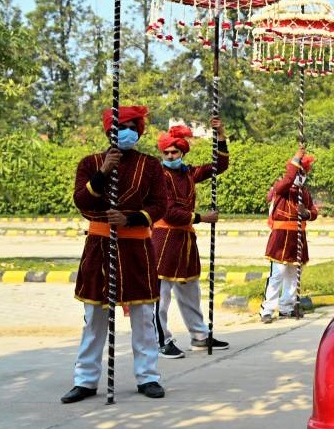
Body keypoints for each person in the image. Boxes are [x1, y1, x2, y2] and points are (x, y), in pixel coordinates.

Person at [62, 105, 169, 403]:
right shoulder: (90, 163)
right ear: (108, 131)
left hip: (136, 249)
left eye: (134, 127)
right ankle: (85, 380)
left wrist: (132, 218)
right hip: (100, 249)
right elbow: (82, 201)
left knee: (144, 317)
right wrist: (103, 173)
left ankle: (147, 376)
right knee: (94, 317)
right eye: (122, 127)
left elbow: (160, 204)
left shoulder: (150, 166)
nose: (128, 132)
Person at [151, 118, 231, 359]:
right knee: (160, 296)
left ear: (182, 152)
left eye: (175, 151)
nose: (171, 155)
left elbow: (220, 165)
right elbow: (169, 212)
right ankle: (161, 339)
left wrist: (220, 135)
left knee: (191, 291)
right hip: (163, 240)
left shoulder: (188, 173)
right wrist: (200, 217)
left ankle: (199, 335)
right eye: (167, 152)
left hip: (185, 241)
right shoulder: (159, 177)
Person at [260, 146, 319, 323]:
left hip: (298, 237)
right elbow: (287, 181)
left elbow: (314, 212)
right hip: (281, 237)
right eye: (297, 172)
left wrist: (306, 213)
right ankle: (267, 310)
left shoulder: (305, 193)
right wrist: (296, 159)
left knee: (293, 275)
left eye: (303, 172)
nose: (299, 176)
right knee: (277, 274)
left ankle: (287, 307)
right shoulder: (281, 187)